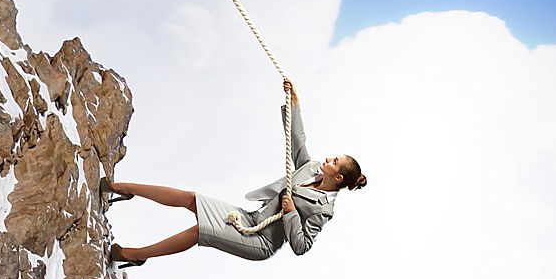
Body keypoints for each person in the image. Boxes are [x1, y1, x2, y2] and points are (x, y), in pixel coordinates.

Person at [103, 80, 366, 267]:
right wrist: (294, 103)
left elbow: (302, 246)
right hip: (249, 218)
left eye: (335, 161)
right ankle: (123, 188)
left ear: (338, 177)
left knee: (199, 231)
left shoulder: (323, 211)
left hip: (260, 241)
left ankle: (136, 254)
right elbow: (297, 139)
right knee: (191, 198)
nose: (328, 158)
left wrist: (291, 213)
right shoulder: (310, 168)